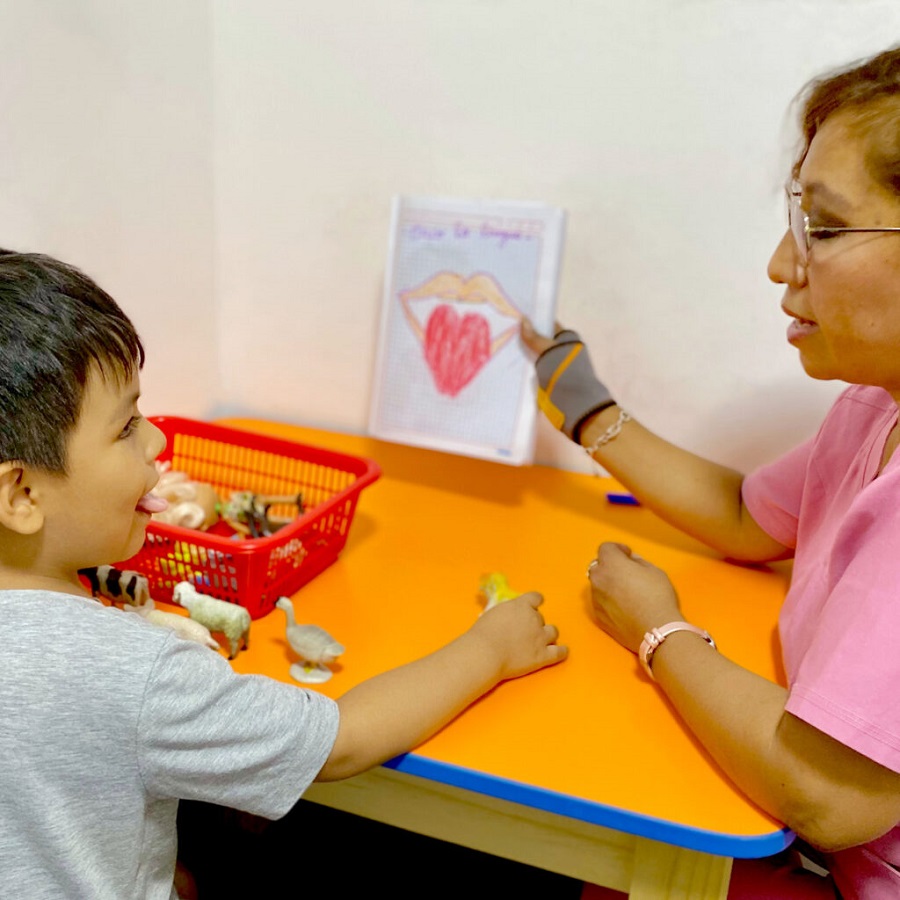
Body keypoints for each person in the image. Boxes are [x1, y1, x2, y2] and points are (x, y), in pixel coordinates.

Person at [0, 249, 567, 899]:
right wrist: (491, 647)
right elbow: (344, 742)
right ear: (20, 496)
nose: (156, 442)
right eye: (127, 427)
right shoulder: (138, 675)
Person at [523, 45, 900, 900]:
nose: (781, 262)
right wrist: (582, 404)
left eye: (827, 229)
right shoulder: (875, 409)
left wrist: (659, 631)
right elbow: (745, 512)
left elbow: (831, 794)